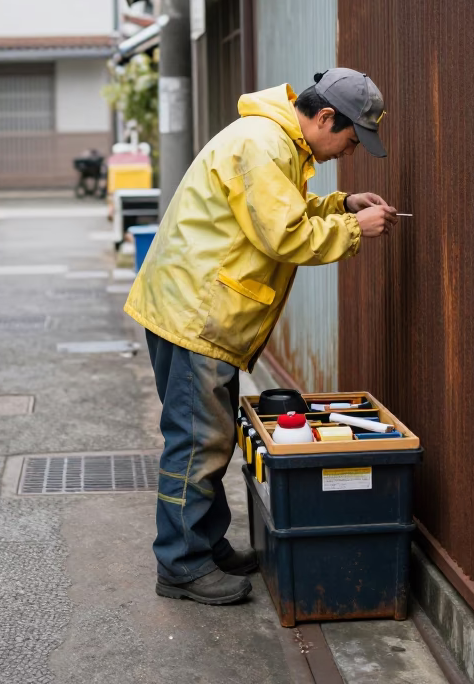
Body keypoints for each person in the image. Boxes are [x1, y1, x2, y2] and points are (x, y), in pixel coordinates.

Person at [125, 68, 398, 605]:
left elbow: (275, 213)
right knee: (197, 441)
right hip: (194, 314)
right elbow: (283, 234)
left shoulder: (278, 141)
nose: (350, 150)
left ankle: (201, 542)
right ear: (324, 118)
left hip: (198, 310)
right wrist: (352, 230)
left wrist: (340, 205)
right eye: (350, 137)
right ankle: (181, 563)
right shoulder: (265, 144)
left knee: (212, 435)